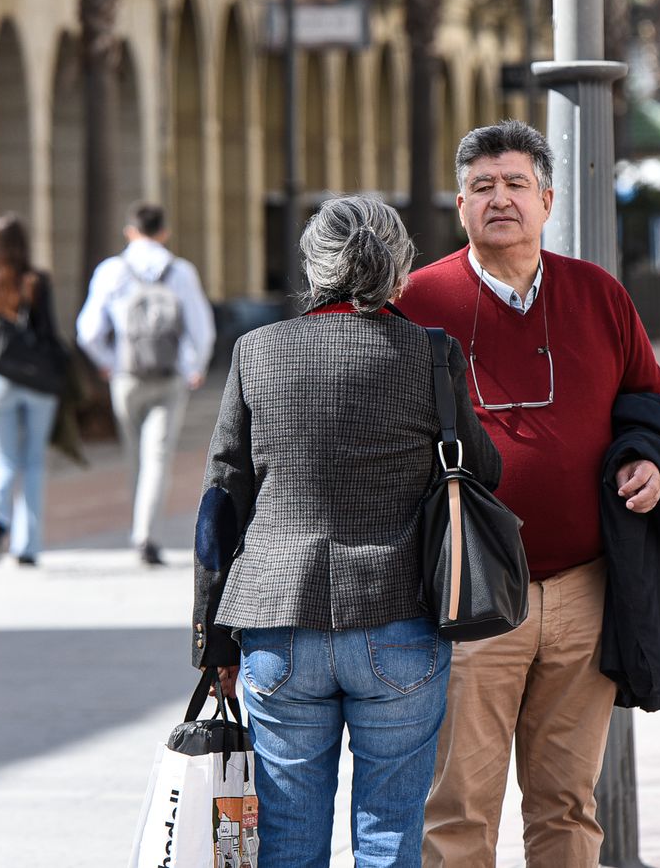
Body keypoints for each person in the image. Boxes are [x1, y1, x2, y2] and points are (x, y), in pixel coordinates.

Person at [192, 195, 501, 868]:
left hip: (278, 629)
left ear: (314, 268)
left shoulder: (256, 352)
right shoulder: (430, 355)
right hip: (400, 626)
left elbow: (221, 505)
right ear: (402, 271)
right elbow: (485, 471)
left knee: (289, 840)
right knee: (390, 836)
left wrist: (212, 641)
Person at [396, 120, 660, 868]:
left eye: (516, 184)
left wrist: (651, 463)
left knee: (567, 807)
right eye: (483, 186)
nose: (501, 199)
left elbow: (651, 407)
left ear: (547, 199)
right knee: (456, 811)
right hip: (469, 596)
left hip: (584, 588)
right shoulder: (416, 303)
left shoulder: (599, 295)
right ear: (461, 205)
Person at [76, 202, 215, 565]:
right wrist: (194, 366)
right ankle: (146, 535)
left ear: (130, 232)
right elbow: (202, 327)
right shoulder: (181, 271)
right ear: (164, 233)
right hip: (169, 377)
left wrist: (107, 363)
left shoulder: (112, 270)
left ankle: (140, 527)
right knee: (159, 456)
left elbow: (88, 330)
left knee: (135, 455)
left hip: (126, 376)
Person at [0, 214, 64, 567]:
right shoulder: (36, 281)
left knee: (2, 458)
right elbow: (49, 331)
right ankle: (27, 546)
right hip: (39, 382)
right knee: (34, 462)